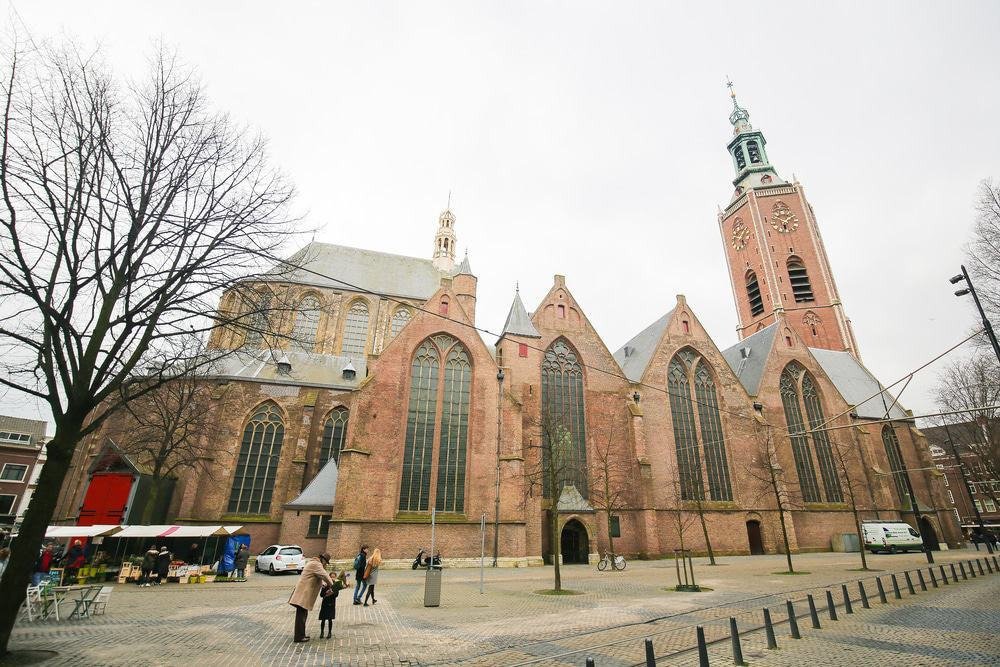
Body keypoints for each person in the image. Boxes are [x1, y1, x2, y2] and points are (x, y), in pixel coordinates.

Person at [288, 552, 335, 643]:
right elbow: (324, 575)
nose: (325, 564)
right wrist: (333, 585)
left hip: (302, 592)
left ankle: (301, 635)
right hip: (303, 593)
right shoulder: (316, 564)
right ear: (323, 560)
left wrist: (323, 584)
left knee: (302, 614)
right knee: (301, 616)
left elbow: (316, 577)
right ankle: (299, 637)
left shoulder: (313, 563)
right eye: (326, 562)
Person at [318, 570, 349, 639]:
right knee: (323, 619)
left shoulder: (336, 586)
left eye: (334, 577)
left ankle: (329, 632)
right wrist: (325, 590)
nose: (332, 578)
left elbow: (336, 595)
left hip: (331, 603)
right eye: (331, 577)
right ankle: (322, 632)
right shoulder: (326, 585)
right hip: (325, 603)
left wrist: (332, 591)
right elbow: (321, 595)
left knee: (330, 619)